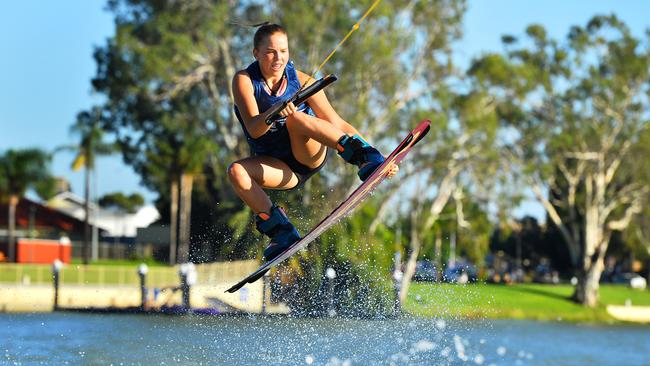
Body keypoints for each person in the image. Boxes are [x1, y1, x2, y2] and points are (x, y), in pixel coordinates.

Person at [229, 23, 397, 261]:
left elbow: (337, 123)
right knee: (236, 171)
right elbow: (255, 129)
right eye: (270, 52)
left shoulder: (302, 80)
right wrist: (275, 110)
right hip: (282, 169)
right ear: (256, 54)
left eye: (284, 51)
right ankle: (282, 232)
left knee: (296, 119)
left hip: (308, 155)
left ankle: (363, 157)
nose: (278, 58)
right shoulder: (245, 80)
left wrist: (379, 159)